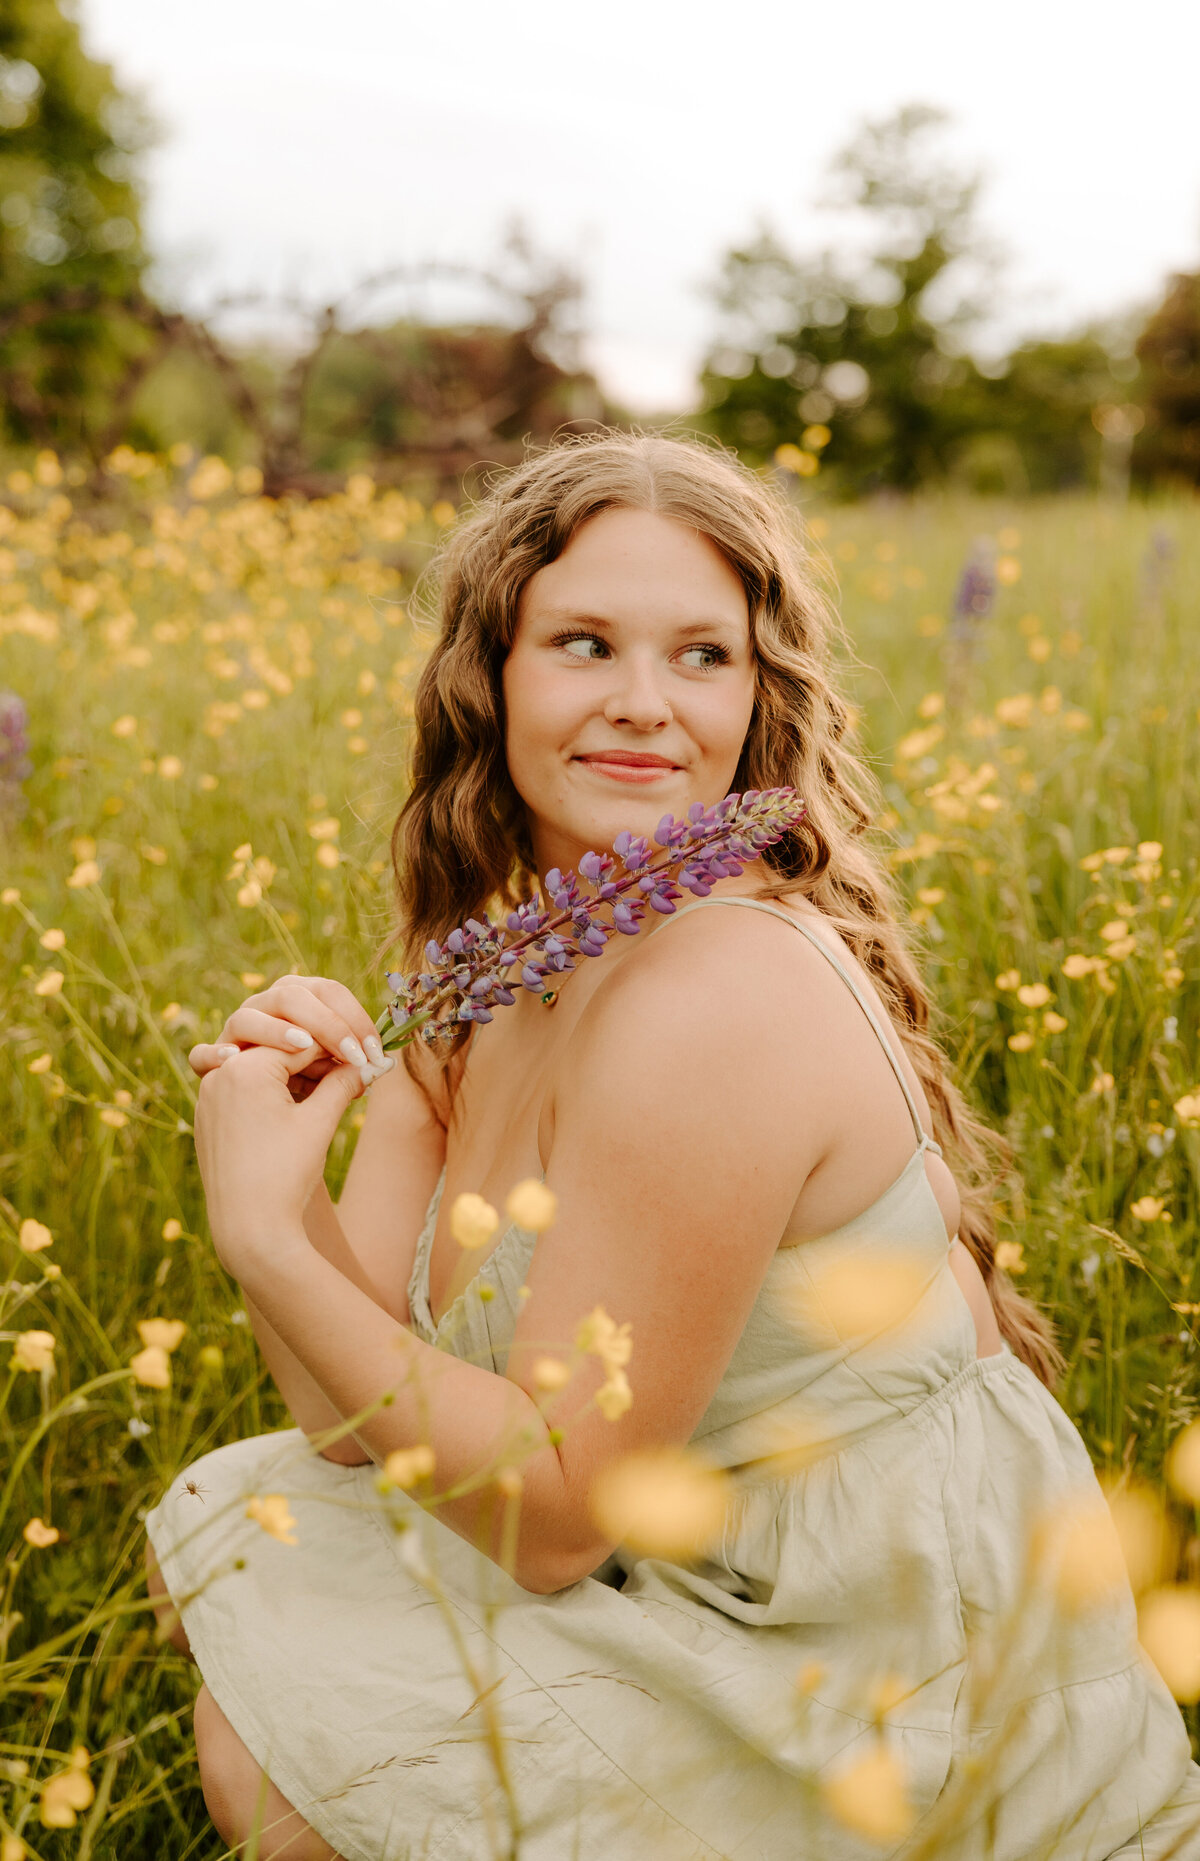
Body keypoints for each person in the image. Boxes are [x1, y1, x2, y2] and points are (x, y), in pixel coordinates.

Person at [145, 430, 1200, 1861]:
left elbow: (563, 1519)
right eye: (583, 642)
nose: (646, 705)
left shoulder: (719, 990)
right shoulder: (484, 984)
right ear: (489, 678)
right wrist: (329, 1156)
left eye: (704, 655)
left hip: (870, 1654)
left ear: (759, 699)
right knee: (253, 1571)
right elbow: (346, 1430)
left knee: (296, 1759)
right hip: (694, 1561)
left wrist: (266, 1236)